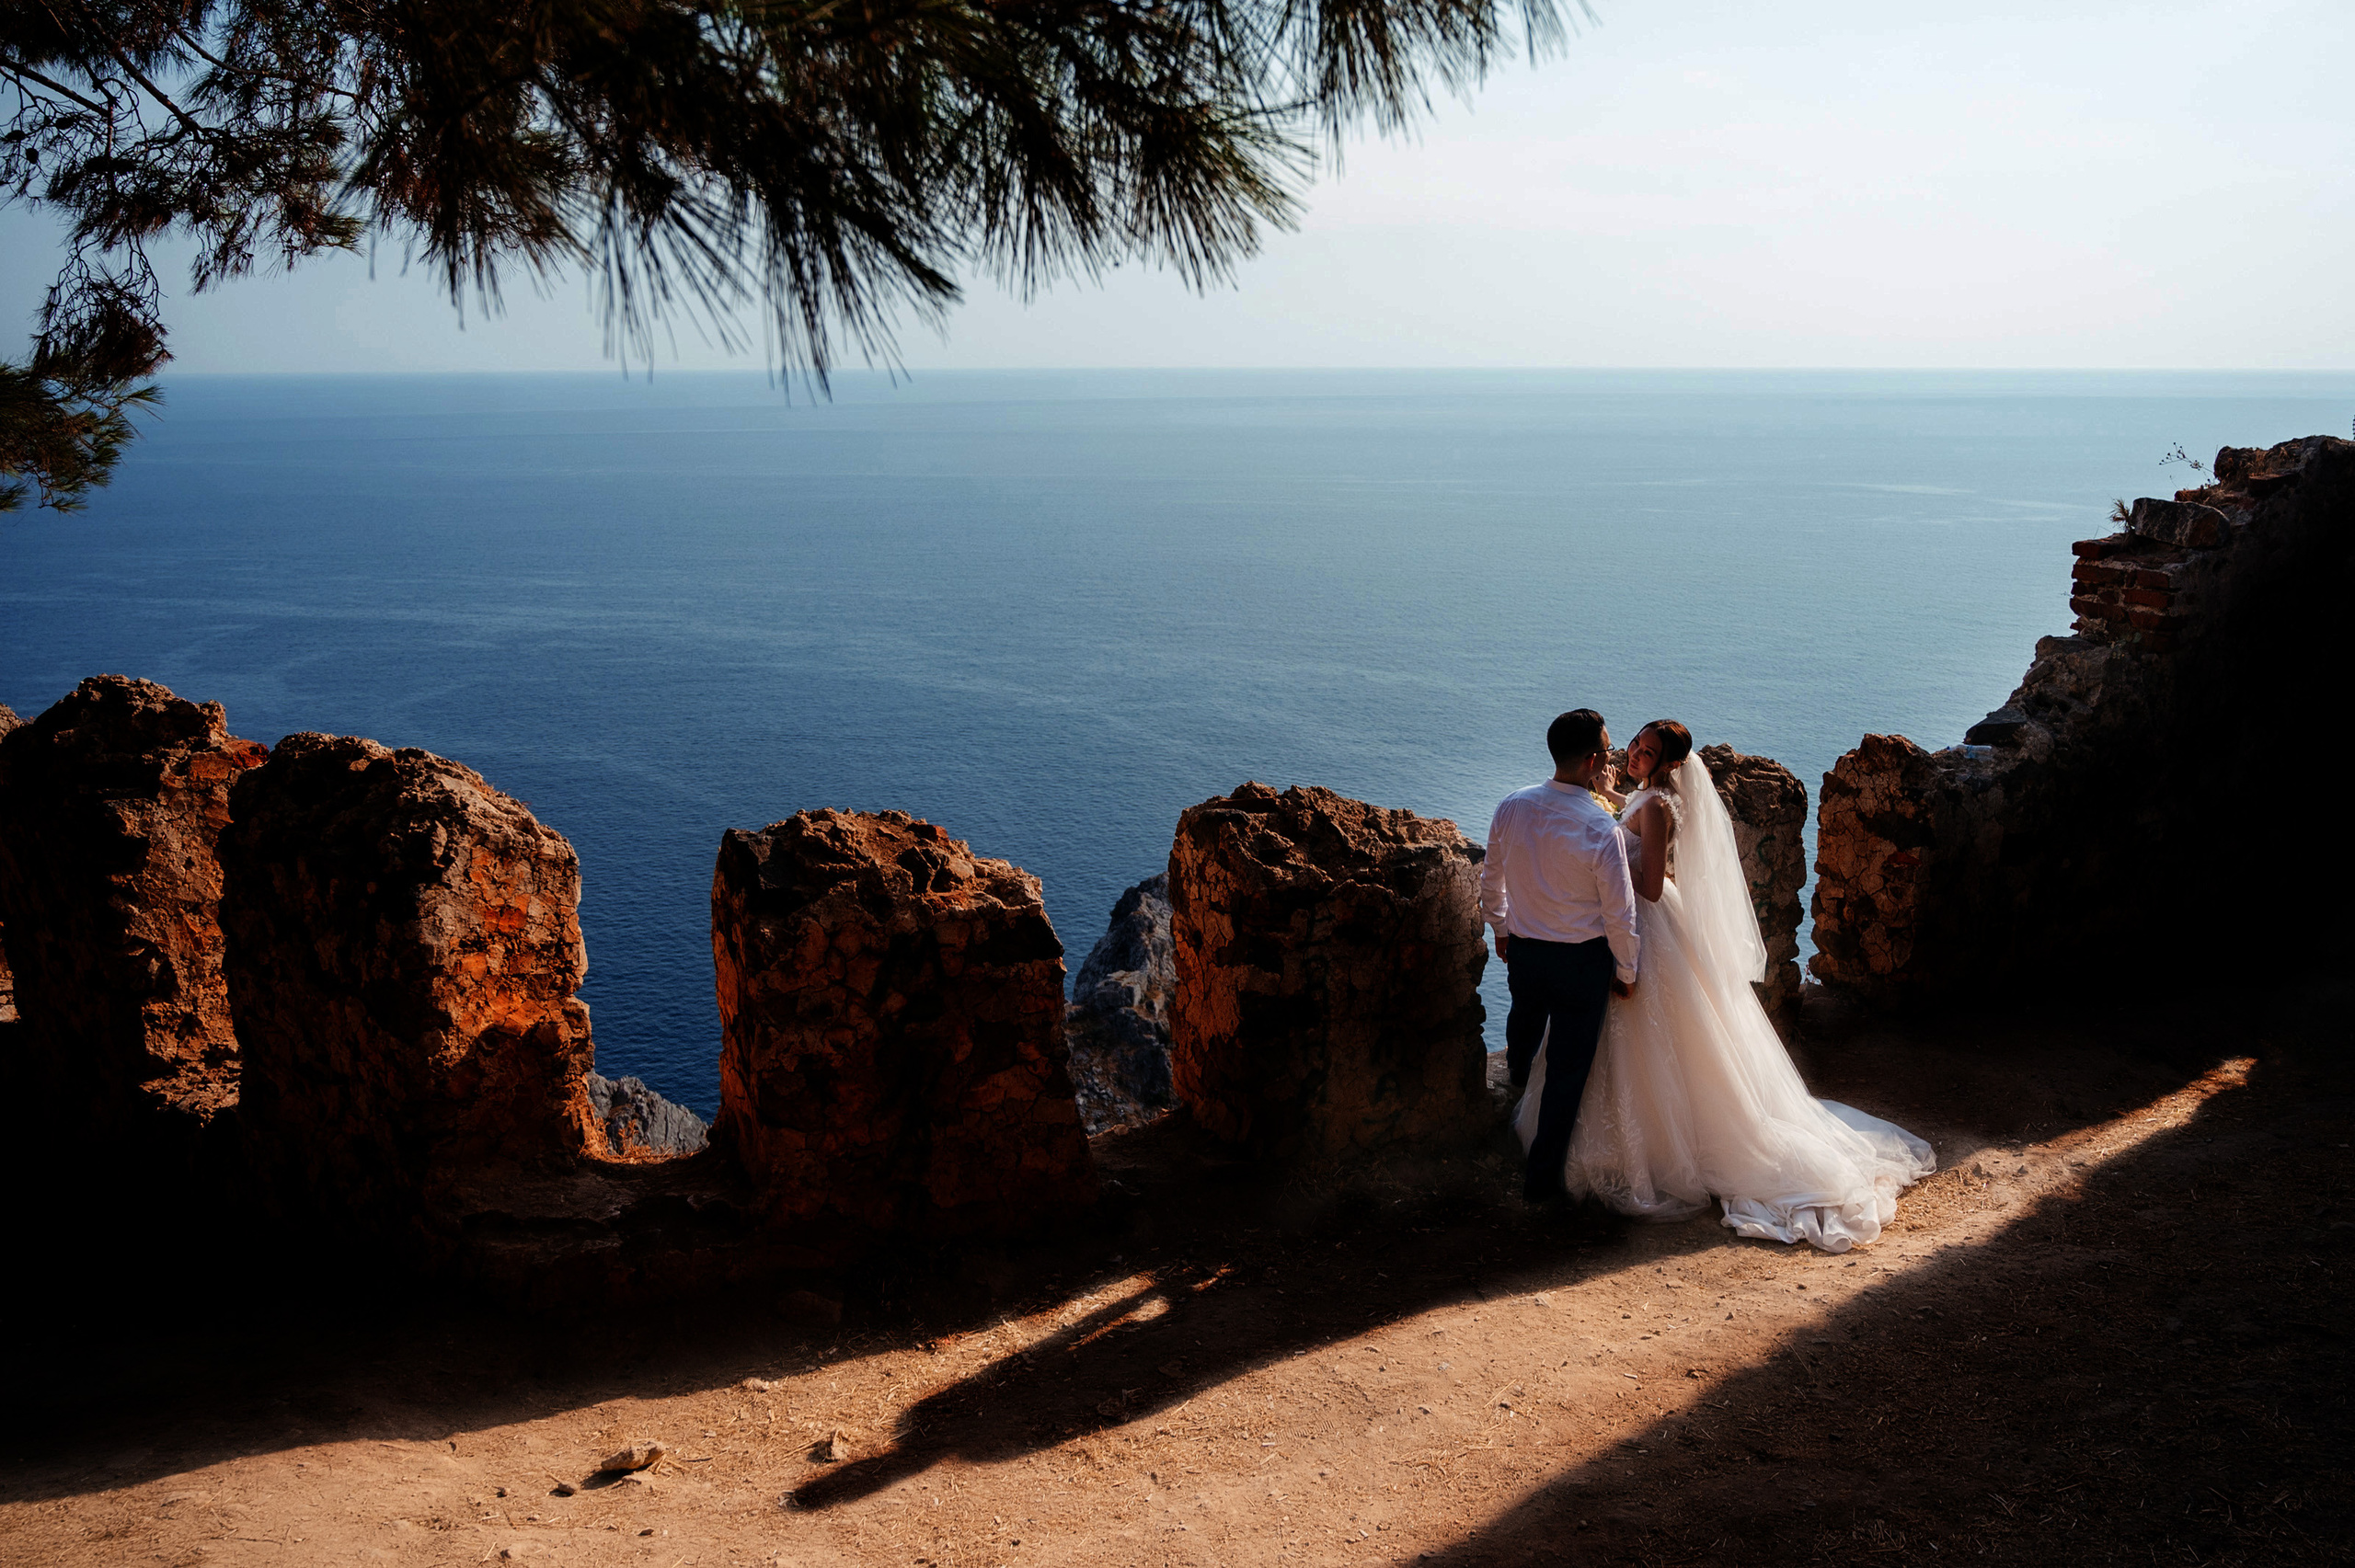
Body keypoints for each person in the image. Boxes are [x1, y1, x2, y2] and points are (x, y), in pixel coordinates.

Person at [1513, 720, 1936, 1253]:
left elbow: (1645, 881)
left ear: (1670, 765)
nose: (1634, 755)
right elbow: (1634, 809)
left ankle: (1647, 1149)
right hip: (1640, 913)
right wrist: (1609, 798)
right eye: (1635, 745)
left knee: (1646, 1034)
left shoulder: (1659, 807)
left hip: (1643, 918)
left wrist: (1605, 854)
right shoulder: (1649, 797)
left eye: (1648, 752)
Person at [1478, 709, 1641, 1206]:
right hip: (1582, 963)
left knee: (1523, 1033)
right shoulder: (1600, 828)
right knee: (1569, 1073)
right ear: (1593, 761)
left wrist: (1502, 930)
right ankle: (1541, 1181)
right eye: (1609, 749)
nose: (1612, 756)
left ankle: (1513, 1106)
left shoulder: (1512, 806)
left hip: (1525, 951)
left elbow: (1492, 878)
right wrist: (1628, 971)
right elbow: (1620, 914)